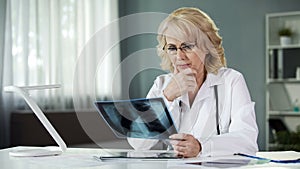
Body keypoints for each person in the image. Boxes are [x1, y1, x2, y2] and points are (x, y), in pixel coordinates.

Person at [128, 7, 258, 158]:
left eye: (187, 46)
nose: (179, 56)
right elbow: (138, 143)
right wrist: (166, 97)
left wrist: (202, 146)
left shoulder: (231, 81)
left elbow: (247, 140)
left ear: (207, 47)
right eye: (172, 48)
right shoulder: (162, 85)